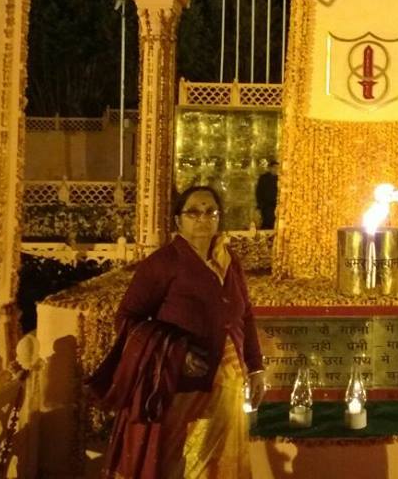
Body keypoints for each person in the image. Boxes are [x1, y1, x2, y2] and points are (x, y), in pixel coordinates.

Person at [88, 185, 265, 478]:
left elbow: (244, 314)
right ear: (177, 221)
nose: (203, 218)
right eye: (193, 212)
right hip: (180, 385)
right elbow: (127, 318)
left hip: (228, 382)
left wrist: (256, 367)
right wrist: (174, 351)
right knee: (178, 463)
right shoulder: (163, 263)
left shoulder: (228, 260)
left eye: (211, 212)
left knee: (218, 467)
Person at [255, 159, 279, 230]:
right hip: (266, 206)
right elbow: (259, 192)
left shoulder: (279, 178)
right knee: (267, 223)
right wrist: (260, 205)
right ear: (270, 168)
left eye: (277, 168)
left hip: (276, 205)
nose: (276, 170)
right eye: (274, 167)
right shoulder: (263, 178)